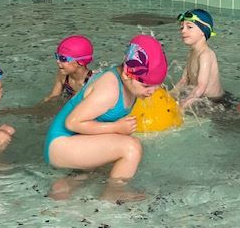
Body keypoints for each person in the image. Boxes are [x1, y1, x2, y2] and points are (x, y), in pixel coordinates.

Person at [44, 34, 168, 201]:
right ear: (127, 75)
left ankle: (68, 183)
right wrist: (116, 128)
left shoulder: (130, 84)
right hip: (59, 145)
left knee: (114, 158)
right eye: (146, 85)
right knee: (131, 147)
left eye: (156, 84)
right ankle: (113, 193)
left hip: (72, 142)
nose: (152, 91)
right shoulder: (110, 88)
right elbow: (72, 123)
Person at [173, 9, 224, 109]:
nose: (183, 31)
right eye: (182, 27)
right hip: (200, 97)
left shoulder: (205, 55)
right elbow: (184, 81)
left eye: (189, 27)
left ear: (203, 31)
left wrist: (182, 106)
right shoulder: (191, 53)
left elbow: (201, 87)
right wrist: (169, 95)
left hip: (215, 102)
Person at [44, 35, 95, 102]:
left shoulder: (93, 81)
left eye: (63, 58)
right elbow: (53, 97)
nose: (58, 61)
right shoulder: (63, 76)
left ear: (80, 62)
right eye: (57, 56)